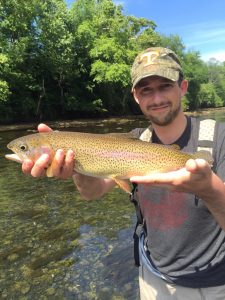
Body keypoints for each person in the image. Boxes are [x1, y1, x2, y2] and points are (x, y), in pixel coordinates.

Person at [22, 47, 225, 299]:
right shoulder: (133, 141)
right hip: (152, 278)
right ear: (136, 96)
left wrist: (210, 190)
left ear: (182, 87)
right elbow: (92, 192)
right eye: (146, 90)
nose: (157, 97)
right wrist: (76, 168)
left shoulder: (219, 139)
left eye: (165, 85)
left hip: (215, 284)